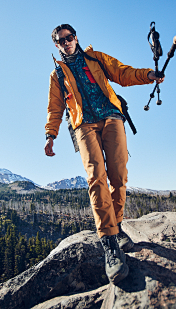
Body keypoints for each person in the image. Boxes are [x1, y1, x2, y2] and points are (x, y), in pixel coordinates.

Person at [44, 24, 164, 285]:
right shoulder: (57, 75)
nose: (66, 42)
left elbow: (122, 73)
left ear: (76, 38)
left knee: (118, 175)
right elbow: (55, 107)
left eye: (69, 37)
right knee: (95, 177)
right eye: (60, 40)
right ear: (56, 45)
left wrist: (149, 74)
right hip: (83, 125)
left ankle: (117, 226)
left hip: (111, 117)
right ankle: (110, 243)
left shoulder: (95, 57)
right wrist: (50, 135)